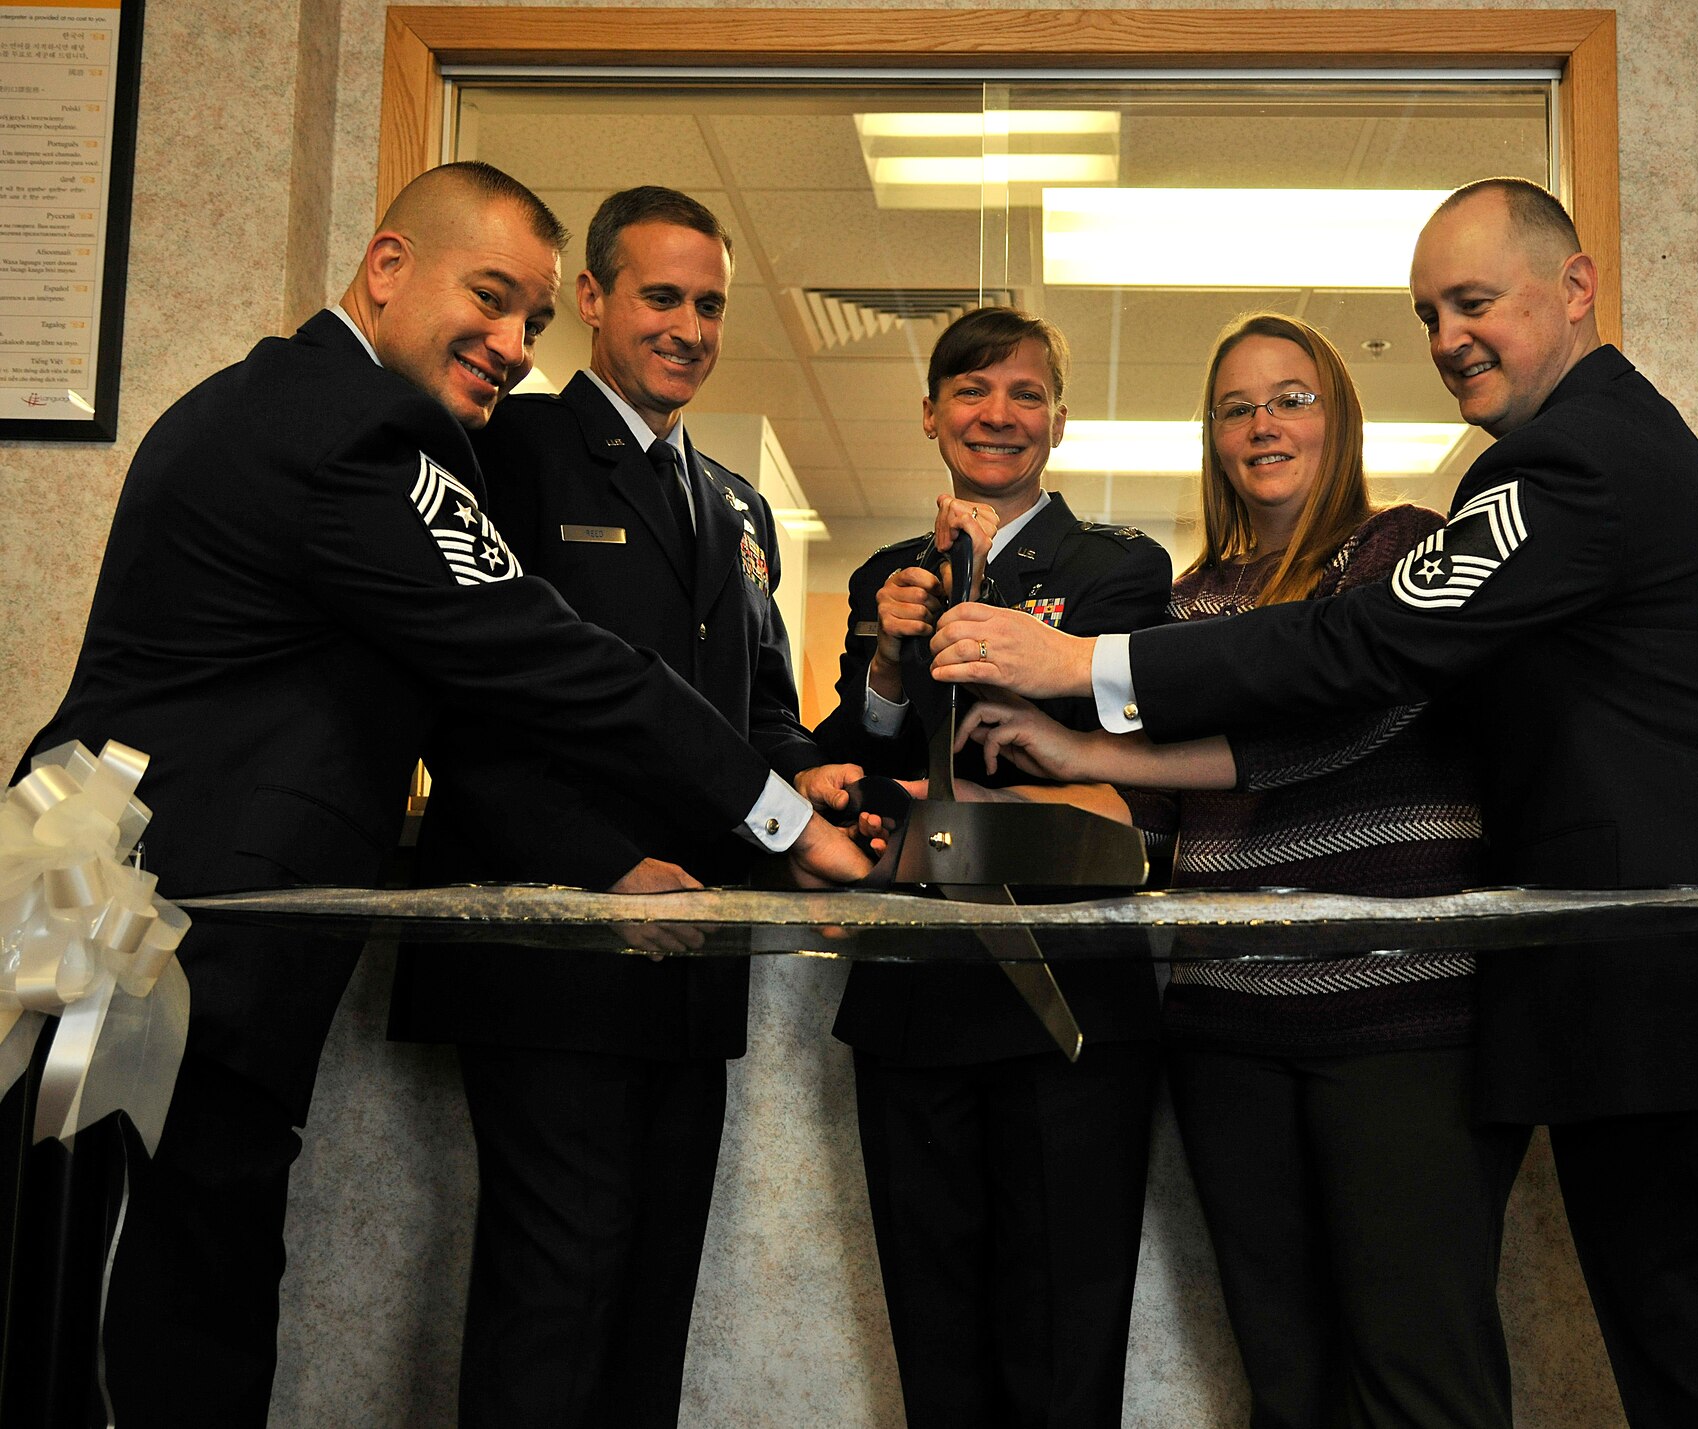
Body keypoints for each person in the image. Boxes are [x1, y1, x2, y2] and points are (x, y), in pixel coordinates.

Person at [934, 180, 1698, 1428]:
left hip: (1684, 995)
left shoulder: (1572, 461)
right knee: (1673, 1363)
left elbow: (1360, 650)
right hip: (1625, 1001)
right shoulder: (1555, 455)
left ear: (1574, 288)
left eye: (1474, 302)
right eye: (1429, 312)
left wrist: (1083, 667)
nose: (1447, 337)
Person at [14, 161, 870, 1428]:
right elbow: (541, 657)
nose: (514, 344)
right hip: (136, 928)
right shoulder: (352, 428)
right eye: (491, 296)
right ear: (387, 265)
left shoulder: (302, 403)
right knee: (130, 1315)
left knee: (182, 1280)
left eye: (530, 317)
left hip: (163, 925)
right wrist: (779, 819)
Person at [955, 312, 1512, 1428]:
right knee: (1283, 1376)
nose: (1262, 424)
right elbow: (1154, 810)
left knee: (1418, 1374)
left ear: (1338, 416)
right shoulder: (1194, 600)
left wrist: (1087, 741)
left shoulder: (1402, 551)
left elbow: (1339, 724)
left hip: (1397, 1017)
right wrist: (980, 794)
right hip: (1227, 1026)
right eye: (1235, 406)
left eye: (1290, 397)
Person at [385, 186, 852, 1428]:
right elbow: (464, 705)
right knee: (556, 1292)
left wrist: (813, 781)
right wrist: (598, 869)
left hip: (693, 955)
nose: (688, 327)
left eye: (708, 303)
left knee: (652, 1300)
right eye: (661, 296)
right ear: (590, 299)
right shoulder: (511, 451)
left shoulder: (737, 505)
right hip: (559, 941)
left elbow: (756, 713)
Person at [811, 306, 1173, 1428]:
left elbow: (1080, 747)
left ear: (1058, 420)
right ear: (930, 415)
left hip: (1071, 1002)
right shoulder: (887, 574)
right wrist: (883, 654)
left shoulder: (1118, 568)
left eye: (1023, 393)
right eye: (971, 392)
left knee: (1062, 1338)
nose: (997, 414)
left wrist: (966, 591)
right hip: (912, 996)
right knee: (936, 1337)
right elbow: (849, 769)